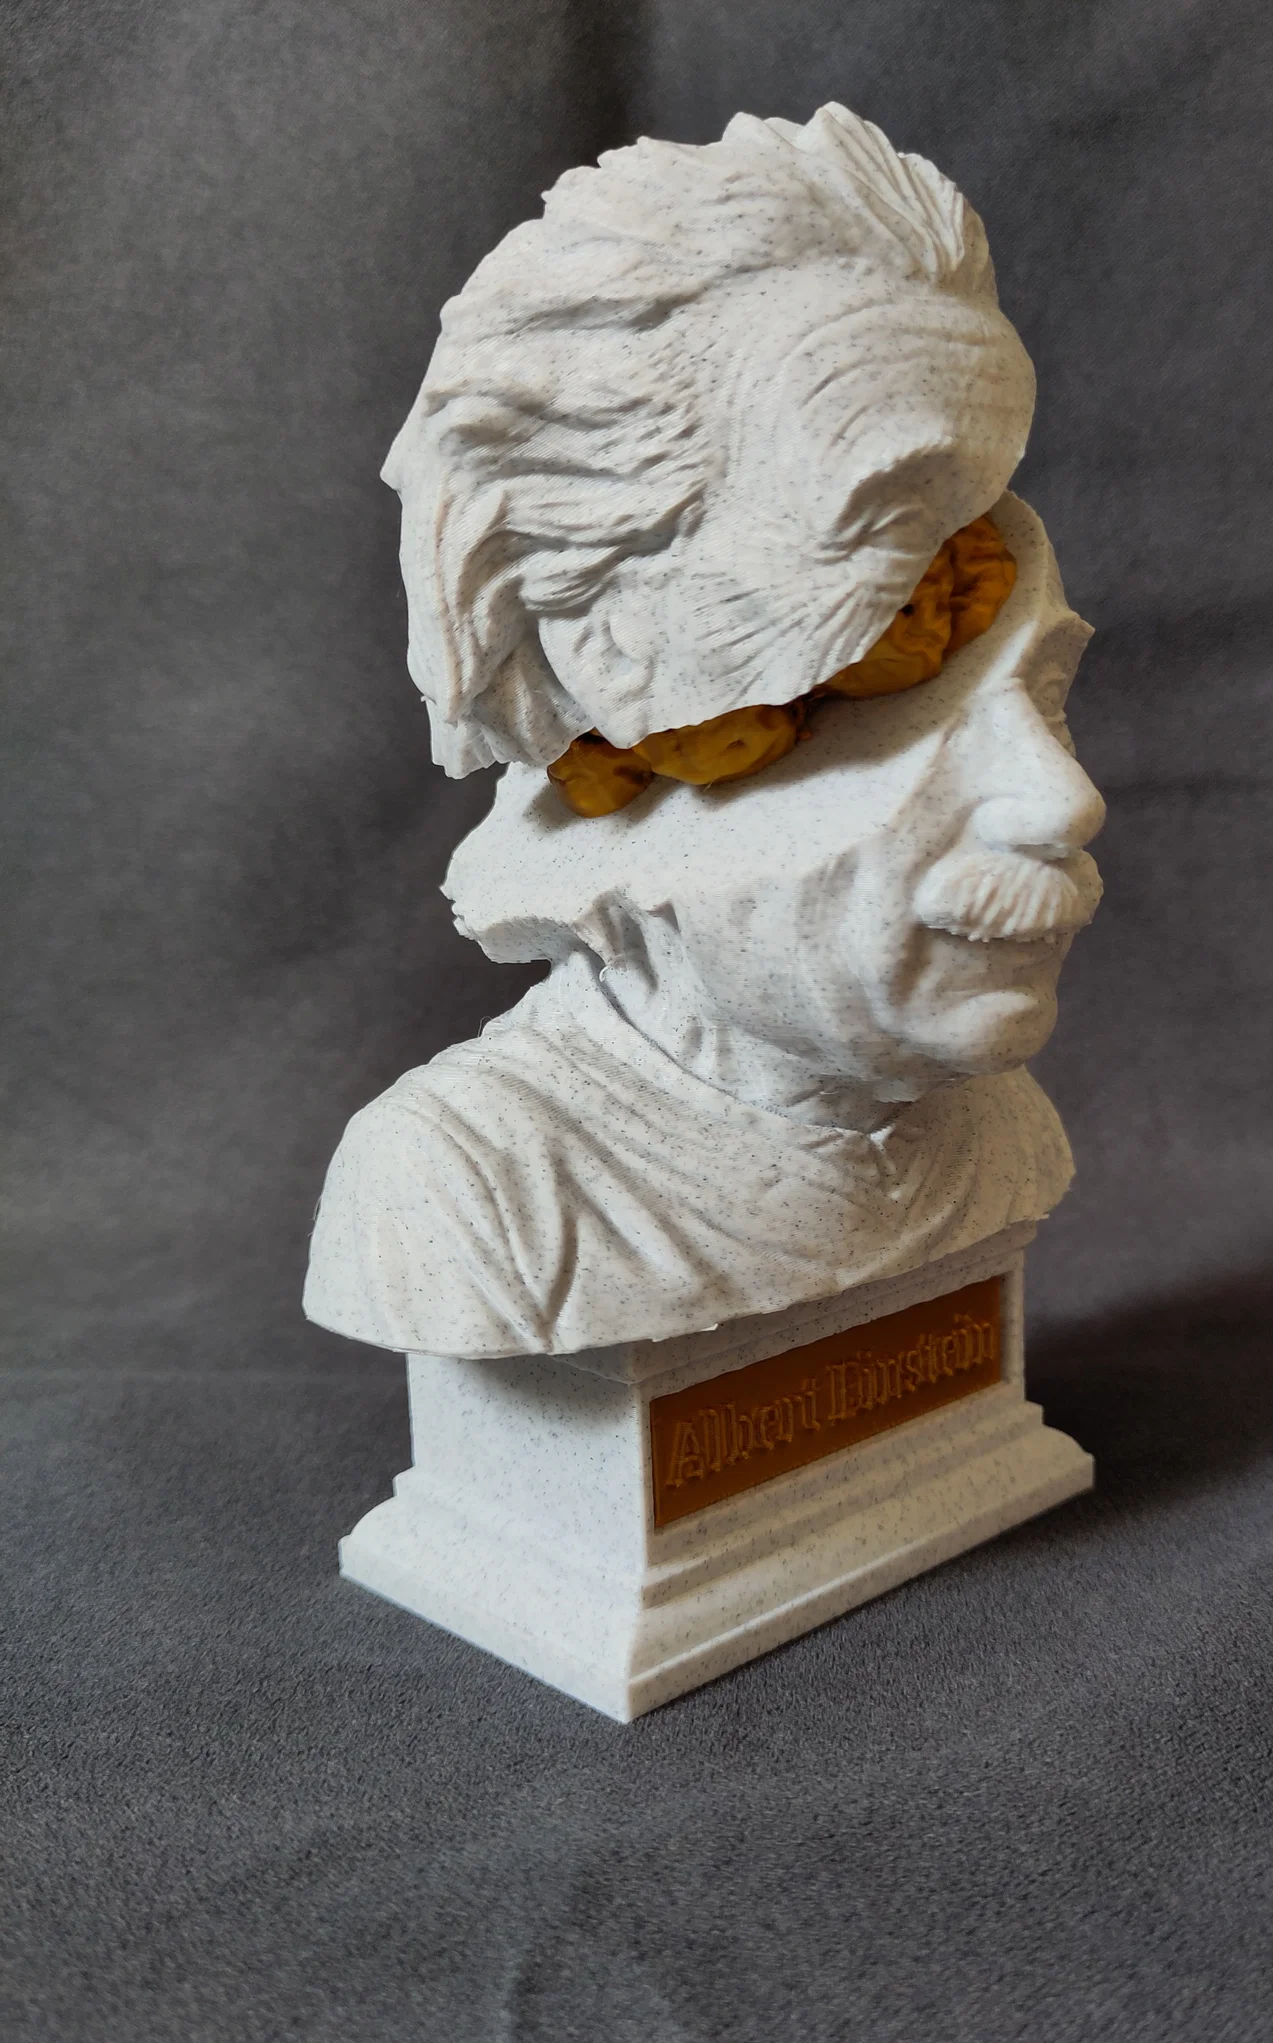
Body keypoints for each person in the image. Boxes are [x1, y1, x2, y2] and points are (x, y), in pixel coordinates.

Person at [303, 106, 1106, 1359]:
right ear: (609, 634)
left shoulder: (995, 1130)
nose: (1068, 803)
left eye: (1038, 693)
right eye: (887, 556)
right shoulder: (478, 1195)